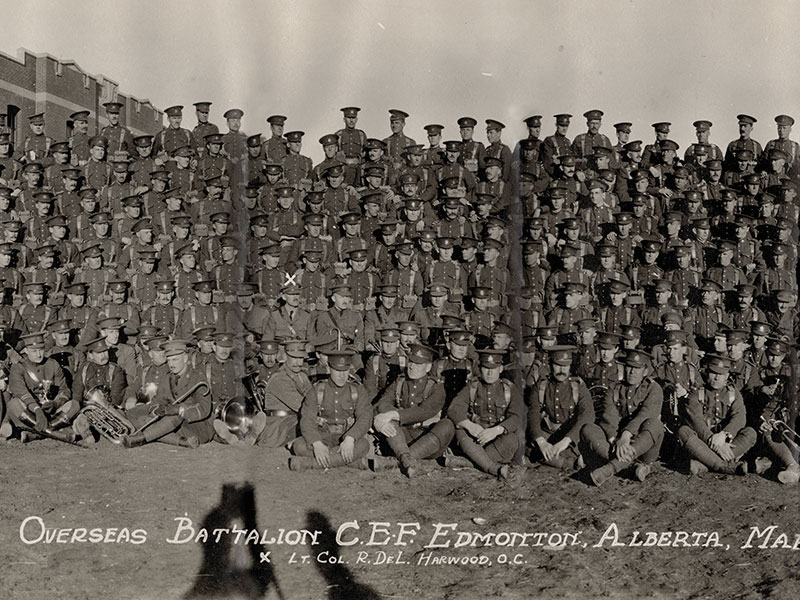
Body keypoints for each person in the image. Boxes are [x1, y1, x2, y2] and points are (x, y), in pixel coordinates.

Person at [581, 349, 664, 485]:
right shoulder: (613, 389)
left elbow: (645, 414)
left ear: (645, 372)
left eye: (637, 368)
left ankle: (610, 468)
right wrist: (615, 439)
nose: (632, 372)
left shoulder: (653, 389)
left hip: (643, 447)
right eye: (629, 367)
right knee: (588, 429)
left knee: (654, 425)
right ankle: (632, 467)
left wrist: (626, 435)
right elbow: (609, 417)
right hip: (618, 446)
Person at [372, 343, 453, 477]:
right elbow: (382, 402)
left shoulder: (436, 387)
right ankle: (407, 460)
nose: (412, 366)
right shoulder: (400, 381)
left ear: (428, 367)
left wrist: (394, 414)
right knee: (386, 414)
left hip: (427, 439)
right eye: (411, 361)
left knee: (447, 425)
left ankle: (398, 460)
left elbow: (424, 411)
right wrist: (383, 419)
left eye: (418, 364)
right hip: (400, 438)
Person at [118, 339, 214, 448]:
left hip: (196, 427)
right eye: (169, 360)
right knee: (139, 417)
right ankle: (182, 441)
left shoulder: (197, 377)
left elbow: (204, 409)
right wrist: (155, 409)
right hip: (173, 428)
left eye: (175, 360)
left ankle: (141, 439)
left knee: (175, 415)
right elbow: (159, 400)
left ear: (185, 358)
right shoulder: (168, 377)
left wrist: (178, 409)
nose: (171, 364)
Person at [290, 350, 371, 471]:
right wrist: (316, 443)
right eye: (338, 371)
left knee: (363, 445)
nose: (342, 376)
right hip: (322, 436)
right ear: (329, 369)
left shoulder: (357, 389)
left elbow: (365, 417)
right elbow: (307, 419)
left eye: (345, 371)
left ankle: (308, 463)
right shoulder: (316, 389)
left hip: (346, 436)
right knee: (299, 446)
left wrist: (350, 439)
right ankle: (353, 462)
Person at [676, 354, 756, 475]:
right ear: (706, 372)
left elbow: (739, 418)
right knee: (683, 431)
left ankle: (706, 464)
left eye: (721, 374)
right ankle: (726, 466)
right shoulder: (696, 394)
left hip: (727, 442)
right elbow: (696, 421)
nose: (717, 378)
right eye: (713, 373)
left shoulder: (734, 394)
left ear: (727, 376)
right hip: (703, 443)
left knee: (750, 433)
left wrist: (724, 435)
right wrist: (716, 445)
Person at [527, 345, 593, 470]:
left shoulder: (578, 386)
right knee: (524, 444)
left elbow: (588, 414)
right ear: (550, 364)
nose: (561, 369)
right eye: (557, 365)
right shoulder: (541, 386)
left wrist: (567, 440)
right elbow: (533, 413)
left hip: (570, 436)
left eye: (565, 365)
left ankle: (556, 458)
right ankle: (569, 463)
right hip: (547, 435)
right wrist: (541, 441)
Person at [7, 332, 78, 442]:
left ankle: (36, 434)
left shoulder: (53, 364)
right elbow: (20, 392)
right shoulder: (18, 367)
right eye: (34, 351)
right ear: (25, 350)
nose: (39, 354)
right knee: (13, 404)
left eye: (40, 350)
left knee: (74, 405)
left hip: (51, 409)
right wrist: (37, 410)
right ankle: (56, 433)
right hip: (30, 411)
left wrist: (55, 403)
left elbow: (64, 390)